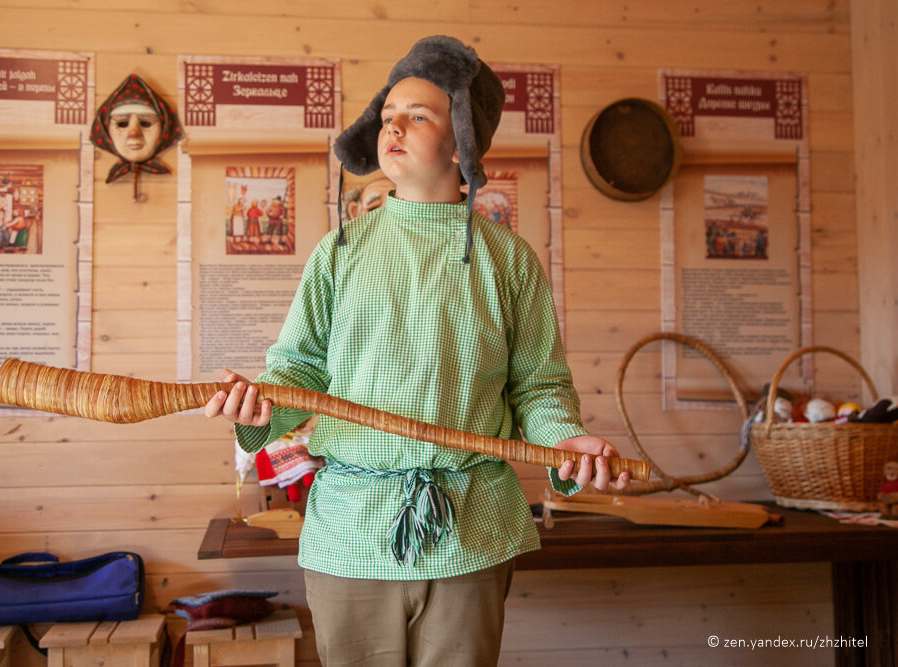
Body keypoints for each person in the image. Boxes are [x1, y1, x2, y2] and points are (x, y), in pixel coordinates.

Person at [205, 35, 630, 666]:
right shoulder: (340, 252)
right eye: (386, 117)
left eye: (418, 116)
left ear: (462, 141)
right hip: (351, 528)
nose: (393, 127)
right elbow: (297, 372)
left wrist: (562, 441)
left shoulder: (508, 260)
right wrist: (260, 411)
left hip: (471, 529)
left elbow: (537, 384)